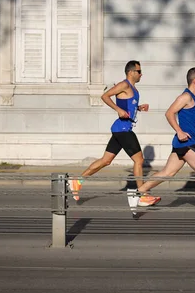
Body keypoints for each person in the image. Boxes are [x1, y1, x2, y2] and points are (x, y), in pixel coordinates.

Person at [129, 67, 195, 222]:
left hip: (183, 142)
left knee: (168, 173)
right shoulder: (186, 96)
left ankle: (137, 193)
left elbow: (189, 115)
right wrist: (180, 131)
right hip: (186, 142)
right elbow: (169, 113)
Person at [68, 60, 160, 206]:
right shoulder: (124, 85)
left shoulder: (134, 90)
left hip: (121, 129)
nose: (141, 74)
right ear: (131, 72)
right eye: (139, 71)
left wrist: (139, 108)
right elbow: (105, 96)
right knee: (139, 160)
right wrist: (118, 110)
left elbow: (128, 107)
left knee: (106, 160)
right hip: (123, 129)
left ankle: (77, 180)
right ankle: (141, 195)